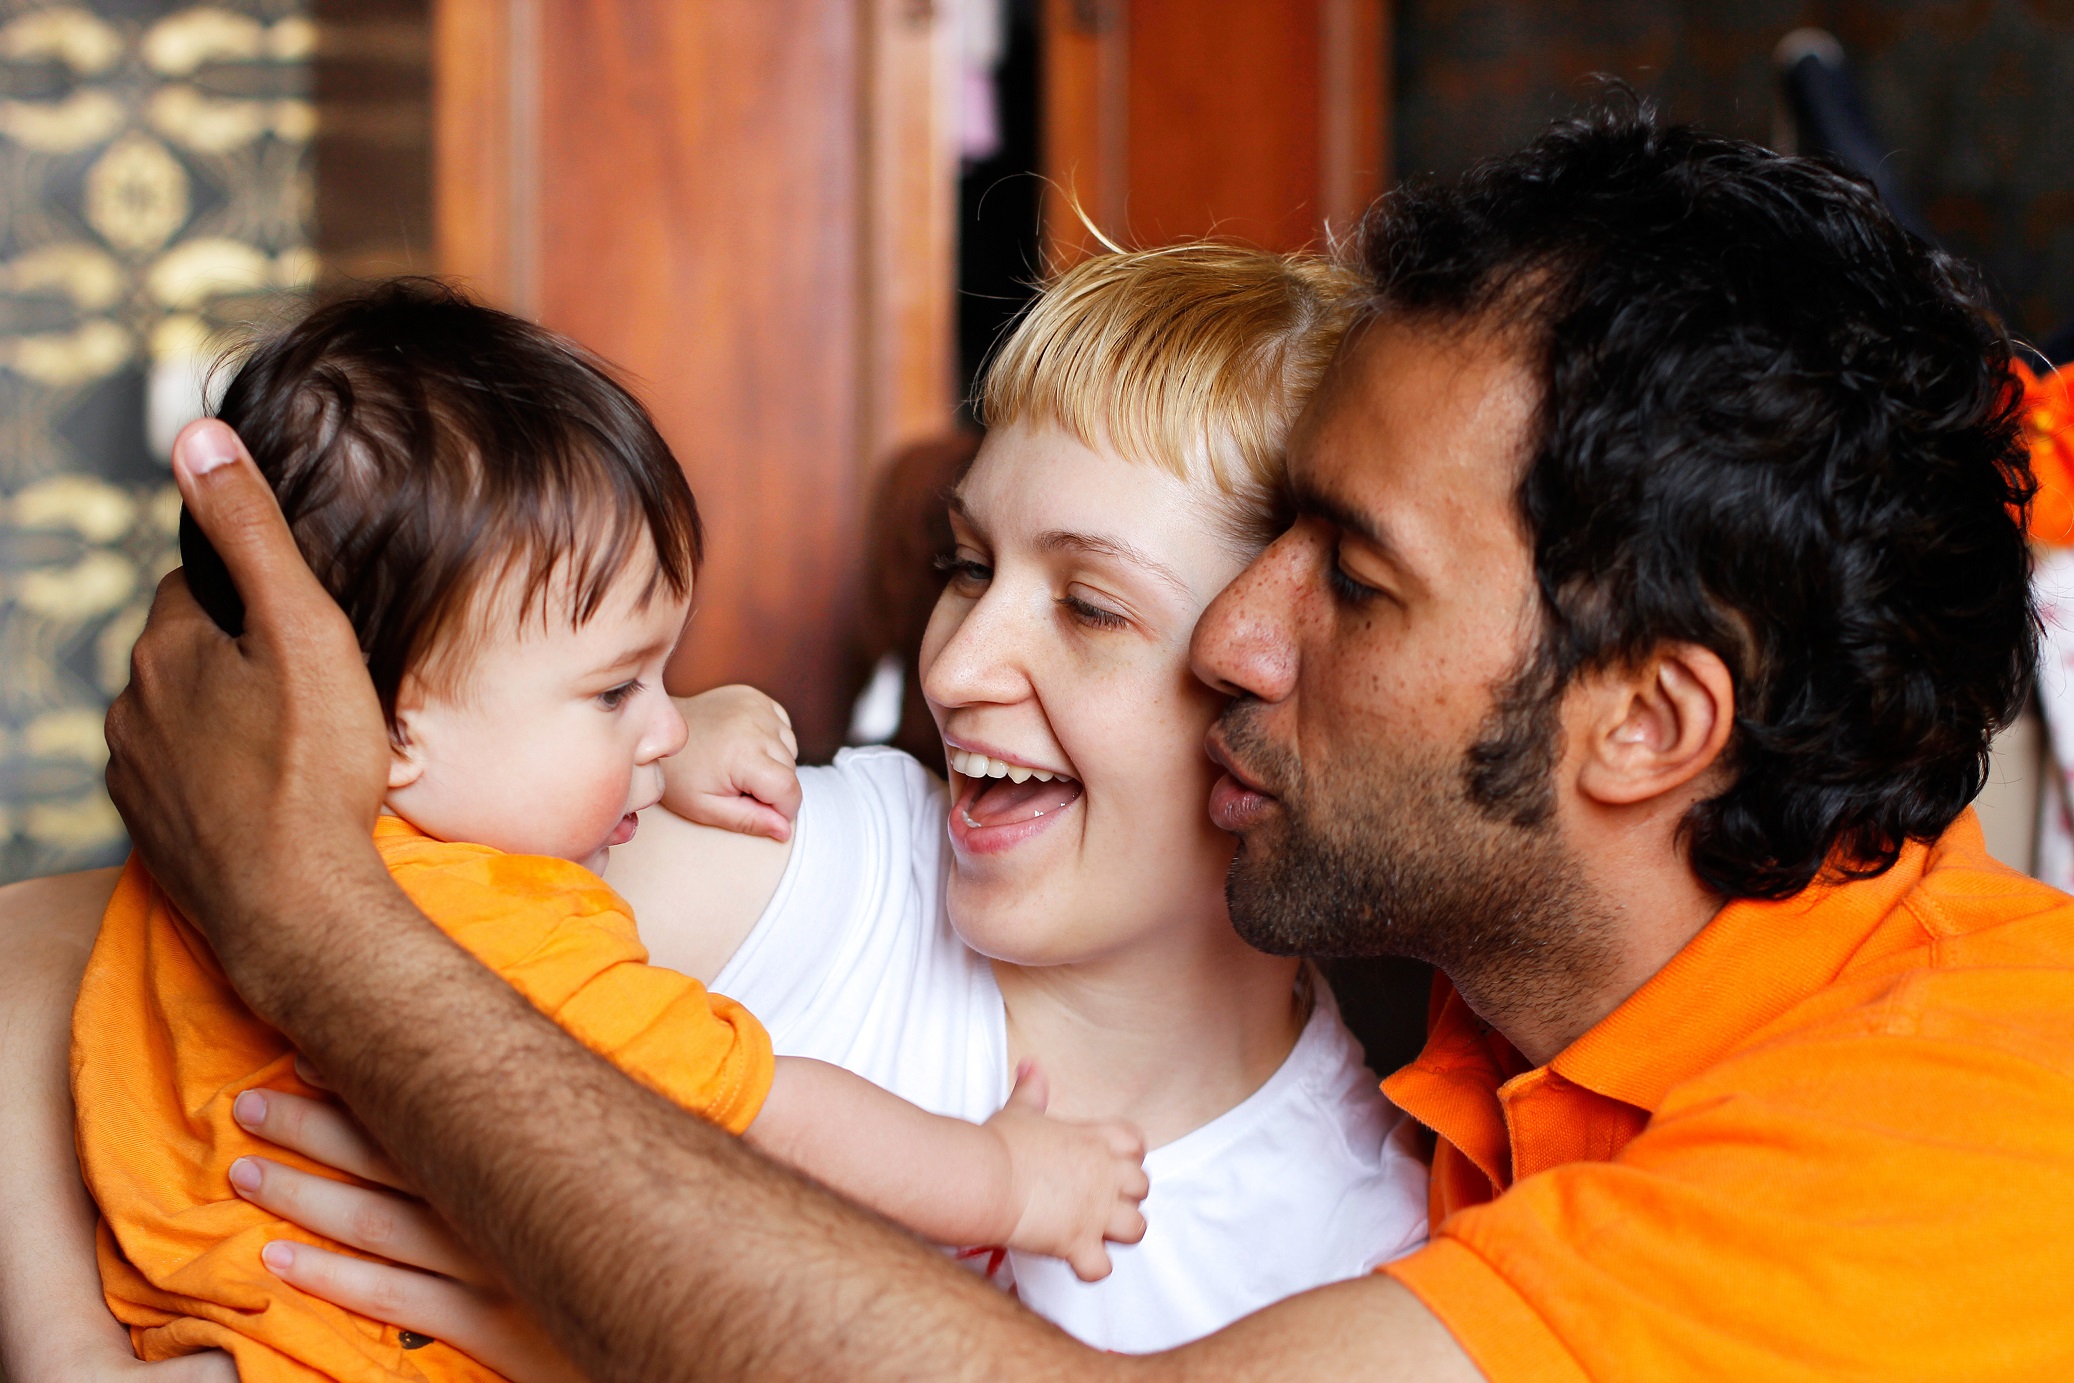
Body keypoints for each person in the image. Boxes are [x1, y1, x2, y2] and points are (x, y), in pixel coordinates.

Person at [11, 97, 2074, 1382]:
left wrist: (320, 923)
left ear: (1647, 722)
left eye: (1342, 579)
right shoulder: (1473, 1030)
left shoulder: (1958, 1145)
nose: (1240, 644)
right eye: (959, 558)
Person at [3, 243, 1430, 1371]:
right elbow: (39, 955)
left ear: (1272, 676)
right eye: (962, 566)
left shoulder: (1351, 1255)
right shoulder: (787, 864)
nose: (957, 660)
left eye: (1091, 606)